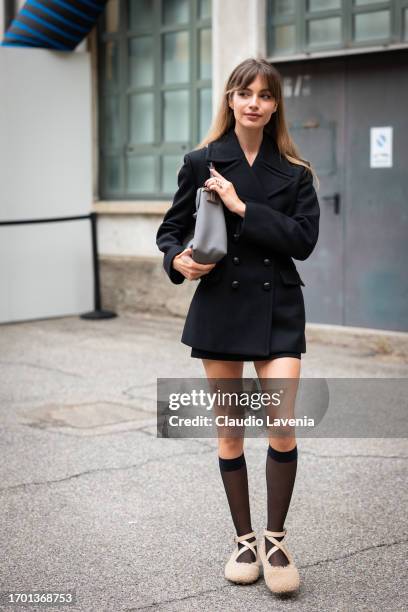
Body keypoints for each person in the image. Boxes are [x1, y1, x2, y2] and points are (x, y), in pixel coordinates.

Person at [156, 57, 320, 595]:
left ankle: (275, 540)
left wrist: (240, 205)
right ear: (230, 99)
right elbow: (171, 231)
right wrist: (177, 260)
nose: (254, 103)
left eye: (265, 95)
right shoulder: (201, 161)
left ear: (276, 106)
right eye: (245, 93)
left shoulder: (295, 171)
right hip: (220, 307)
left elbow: (302, 242)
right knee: (230, 432)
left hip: (278, 309)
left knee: (281, 424)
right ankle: (244, 540)